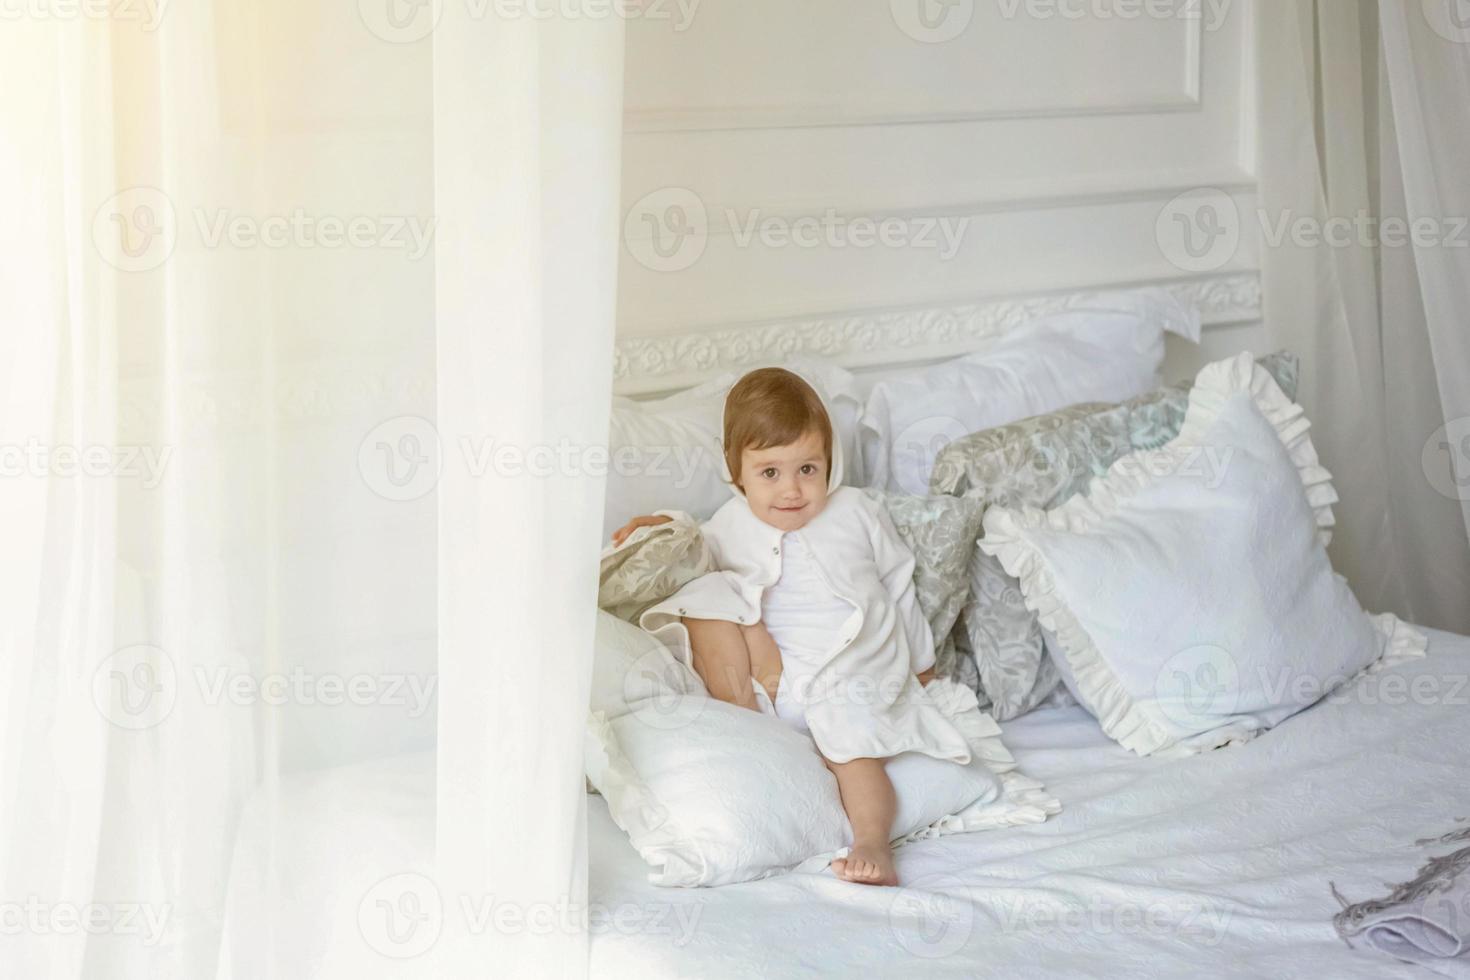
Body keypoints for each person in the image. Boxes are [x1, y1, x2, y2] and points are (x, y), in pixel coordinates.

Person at [611, 367, 970, 886]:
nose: (793, 490)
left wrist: (922, 665)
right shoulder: (728, 523)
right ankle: (747, 729)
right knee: (707, 598)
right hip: (769, 681)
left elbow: (897, 584)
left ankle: (872, 840)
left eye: (807, 467)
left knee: (853, 744)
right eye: (770, 473)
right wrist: (656, 526)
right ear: (737, 472)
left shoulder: (856, 511)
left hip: (846, 667)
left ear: (830, 461)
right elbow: (687, 550)